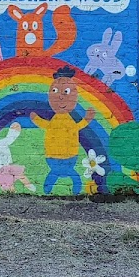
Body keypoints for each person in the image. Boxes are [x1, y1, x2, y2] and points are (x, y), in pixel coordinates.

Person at [30, 66, 95, 194]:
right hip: (53, 156)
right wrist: (36, 119)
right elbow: (47, 125)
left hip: (70, 155)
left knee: (67, 173)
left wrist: (87, 118)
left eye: (66, 92)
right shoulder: (57, 119)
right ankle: (60, 187)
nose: (60, 97)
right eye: (55, 91)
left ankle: (71, 187)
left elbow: (77, 126)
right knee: (61, 173)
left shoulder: (68, 120)